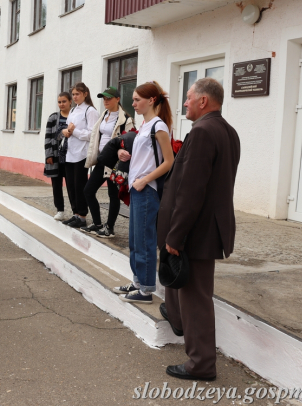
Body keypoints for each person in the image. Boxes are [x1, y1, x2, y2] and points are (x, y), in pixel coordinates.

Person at [158, 78, 240, 381]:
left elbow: (192, 190)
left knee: (197, 300)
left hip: (197, 230)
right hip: (206, 227)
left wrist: (176, 235)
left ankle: (201, 364)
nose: (185, 103)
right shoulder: (227, 130)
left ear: (203, 101)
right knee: (186, 291)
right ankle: (176, 317)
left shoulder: (203, 132)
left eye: (189, 97)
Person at [112, 81, 174, 304]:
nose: (133, 103)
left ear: (152, 100)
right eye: (133, 100)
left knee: (145, 240)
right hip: (137, 188)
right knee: (135, 241)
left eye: (138, 99)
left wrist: (145, 180)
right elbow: (145, 157)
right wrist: (124, 154)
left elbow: (169, 161)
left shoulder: (159, 126)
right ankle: (138, 282)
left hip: (147, 190)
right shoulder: (146, 125)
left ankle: (146, 290)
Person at [81, 86, 134, 238]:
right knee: (88, 191)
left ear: (118, 99)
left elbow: (129, 141)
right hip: (102, 160)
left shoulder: (126, 120)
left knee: (113, 195)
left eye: (109, 98)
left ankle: (109, 228)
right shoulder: (104, 115)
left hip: (115, 164)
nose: (105, 101)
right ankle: (97, 223)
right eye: (104, 98)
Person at [61, 82, 99, 229]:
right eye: (73, 94)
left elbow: (92, 134)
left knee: (79, 185)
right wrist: (66, 131)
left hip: (82, 153)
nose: (75, 97)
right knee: (70, 185)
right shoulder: (73, 110)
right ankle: (75, 213)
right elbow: (68, 128)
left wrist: (74, 131)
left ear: (85, 94)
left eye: (77, 94)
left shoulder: (90, 111)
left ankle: (82, 216)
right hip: (70, 152)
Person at [44, 92, 72, 221]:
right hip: (55, 157)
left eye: (64, 101)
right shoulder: (53, 118)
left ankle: (76, 212)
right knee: (56, 185)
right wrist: (49, 155)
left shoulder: (75, 116)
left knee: (72, 185)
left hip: (71, 157)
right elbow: (48, 137)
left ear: (70, 101)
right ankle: (60, 210)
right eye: (59, 102)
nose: (61, 104)